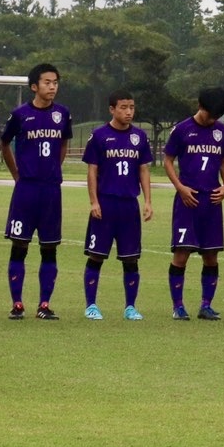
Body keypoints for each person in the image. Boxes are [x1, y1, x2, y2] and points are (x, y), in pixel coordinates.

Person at [0, 63, 72, 320]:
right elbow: (4, 142)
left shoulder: (63, 114)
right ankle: (17, 303)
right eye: (46, 82)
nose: (52, 86)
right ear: (34, 86)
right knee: (19, 245)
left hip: (51, 190)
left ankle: (44, 304)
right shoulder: (20, 115)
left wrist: (55, 168)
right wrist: (16, 173)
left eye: (55, 82)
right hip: (26, 189)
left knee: (49, 247)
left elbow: (64, 142)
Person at [80, 90, 154, 320]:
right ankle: (91, 305)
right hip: (105, 204)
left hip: (129, 206)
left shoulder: (139, 137)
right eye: (123, 107)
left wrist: (148, 201)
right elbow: (92, 170)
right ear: (112, 109)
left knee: (131, 258)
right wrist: (94, 201)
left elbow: (143, 169)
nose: (129, 111)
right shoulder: (99, 136)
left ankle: (130, 307)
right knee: (96, 255)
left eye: (131, 107)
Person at [163, 88, 224, 320]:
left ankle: (206, 305)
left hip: (211, 202)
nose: (212, 119)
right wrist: (180, 187)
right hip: (187, 201)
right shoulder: (182, 129)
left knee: (211, 255)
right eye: (210, 114)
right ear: (200, 106)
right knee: (181, 254)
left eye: (217, 115)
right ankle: (178, 306)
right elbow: (168, 160)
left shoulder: (223, 132)